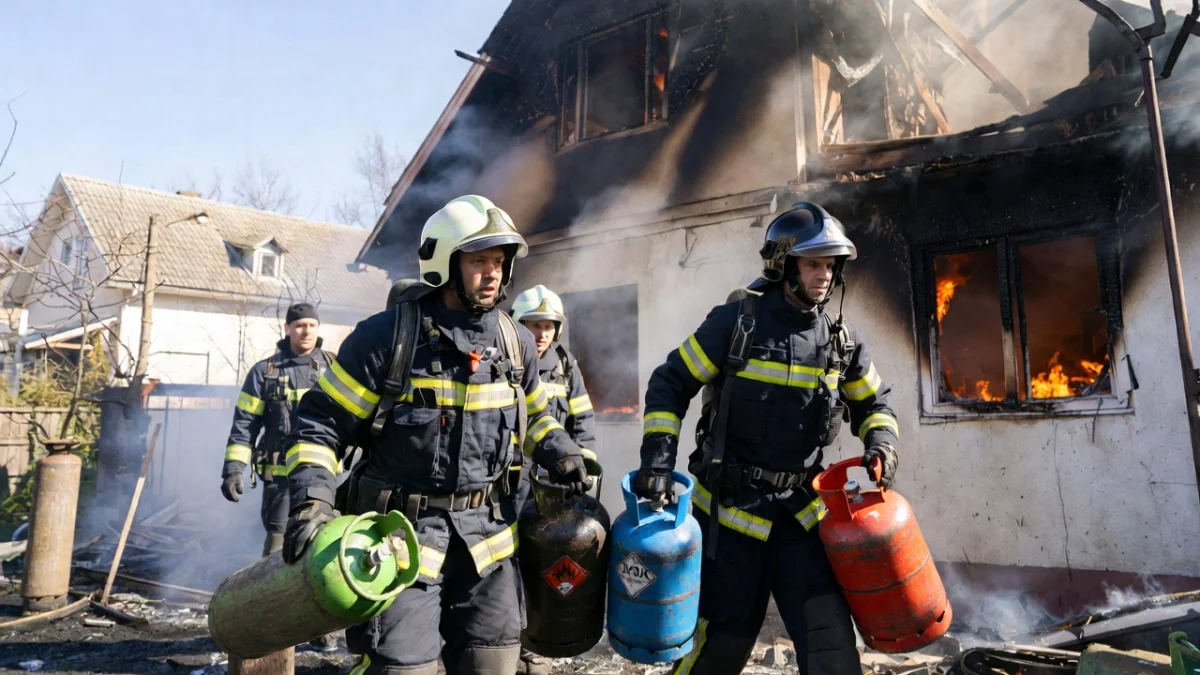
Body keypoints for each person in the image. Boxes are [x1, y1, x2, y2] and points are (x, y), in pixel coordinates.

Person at [280, 195, 591, 675]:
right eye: (479, 260)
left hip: (490, 547)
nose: (493, 273)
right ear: (444, 264)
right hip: (399, 546)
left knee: (494, 667)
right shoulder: (385, 339)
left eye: (499, 261)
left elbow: (535, 420)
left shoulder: (516, 342)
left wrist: (563, 452)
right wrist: (312, 501)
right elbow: (320, 427)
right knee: (405, 671)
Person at [633, 202, 901, 675]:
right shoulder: (737, 322)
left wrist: (881, 446)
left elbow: (874, 405)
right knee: (718, 650)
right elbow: (669, 383)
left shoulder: (841, 340)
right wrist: (657, 464)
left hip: (802, 518)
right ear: (782, 264)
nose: (824, 274)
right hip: (731, 521)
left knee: (832, 649)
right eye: (813, 263)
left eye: (830, 265)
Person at [510, 284, 598, 675]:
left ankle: (539, 641)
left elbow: (583, 424)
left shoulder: (566, 365)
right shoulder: (507, 363)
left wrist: (585, 469)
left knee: (549, 563)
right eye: (532, 325)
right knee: (511, 562)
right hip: (512, 484)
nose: (541, 333)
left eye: (548, 325)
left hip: (555, 488)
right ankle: (511, 639)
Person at [220, 302, 333, 557]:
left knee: (322, 544)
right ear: (287, 329)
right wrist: (233, 469)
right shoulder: (265, 372)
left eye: (312, 325)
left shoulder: (335, 369)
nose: (306, 331)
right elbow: (244, 425)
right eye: (300, 325)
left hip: (324, 478)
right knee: (277, 548)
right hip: (280, 479)